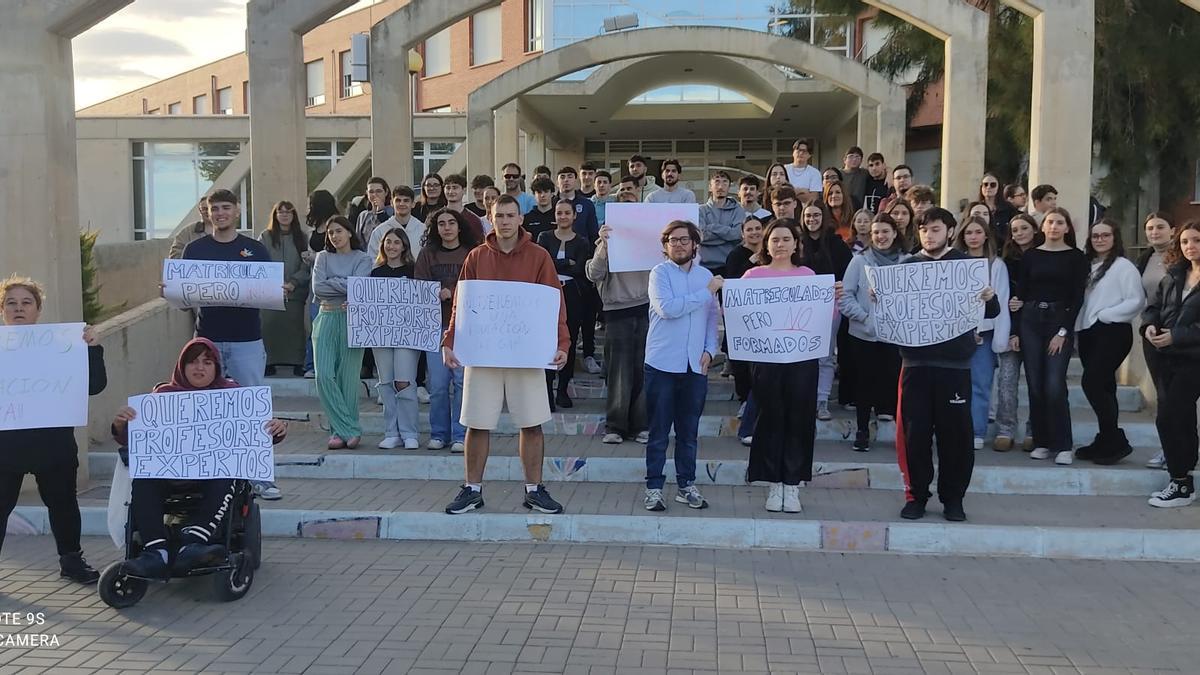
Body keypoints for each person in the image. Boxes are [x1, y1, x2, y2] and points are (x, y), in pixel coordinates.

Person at [111, 338, 287, 578]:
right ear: (181, 367)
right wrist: (122, 424)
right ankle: (156, 551)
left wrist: (275, 429)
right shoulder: (163, 395)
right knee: (143, 478)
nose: (199, 368)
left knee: (229, 473)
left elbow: (255, 437)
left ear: (216, 367)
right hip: (170, 475)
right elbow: (136, 440)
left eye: (207, 362)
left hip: (213, 476)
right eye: (192, 362)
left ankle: (193, 541)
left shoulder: (232, 394)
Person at [441, 196, 569, 515]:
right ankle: (472, 489)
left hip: (527, 353)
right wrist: (450, 339)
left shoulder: (539, 256)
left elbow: (555, 303)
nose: (506, 221)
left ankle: (534, 490)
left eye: (511, 215)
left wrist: (563, 343)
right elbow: (461, 304)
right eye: (500, 216)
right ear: (491, 218)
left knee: (532, 422)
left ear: (521, 218)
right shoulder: (476, 256)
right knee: (477, 423)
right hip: (483, 352)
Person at [891, 208, 1000, 522]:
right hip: (915, 363)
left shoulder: (967, 267)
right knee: (915, 434)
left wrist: (988, 297)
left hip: (955, 365)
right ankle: (917, 496)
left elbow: (989, 312)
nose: (929, 235)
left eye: (936, 229)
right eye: (924, 230)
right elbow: (892, 311)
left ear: (951, 231)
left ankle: (953, 498)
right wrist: (880, 297)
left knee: (956, 437)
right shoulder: (908, 266)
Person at [0, 277, 106, 583]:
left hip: (53, 445)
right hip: (7, 447)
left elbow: (96, 385)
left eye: (26, 303)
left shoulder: (64, 346)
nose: (19, 309)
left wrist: (93, 350)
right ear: (3, 310)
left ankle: (72, 561)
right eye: (11, 303)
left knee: (63, 505)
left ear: (38, 309)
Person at [179, 189, 280, 500]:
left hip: (246, 339)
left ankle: (260, 478)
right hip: (206, 339)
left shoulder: (254, 249)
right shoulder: (194, 250)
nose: (219, 213)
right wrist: (172, 290)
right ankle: (206, 477)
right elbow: (184, 302)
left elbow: (268, 292)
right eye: (214, 208)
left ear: (237, 211)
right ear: (206, 213)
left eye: (225, 207)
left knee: (251, 409)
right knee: (204, 411)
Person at [743, 220, 821, 513]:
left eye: (786, 239)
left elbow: (821, 316)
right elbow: (739, 315)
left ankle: (793, 483)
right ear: (766, 244)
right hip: (766, 360)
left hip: (802, 359)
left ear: (796, 244)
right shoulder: (752, 276)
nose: (780, 244)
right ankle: (773, 483)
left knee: (800, 419)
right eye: (774, 239)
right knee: (771, 418)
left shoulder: (808, 275)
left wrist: (834, 300)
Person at [643, 221, 720, 512]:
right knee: (659, 432)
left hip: (694, 366)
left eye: (684, 240)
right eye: (672, 240)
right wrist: (706, 291)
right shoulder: (659, 273)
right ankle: (654, 487)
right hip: (662, 363)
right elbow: (668, 309)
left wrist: (710, 350)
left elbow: (712, 318)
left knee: (688, 432)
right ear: (665, 246)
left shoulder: (705, 275)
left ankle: (686, 484)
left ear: (694, 244)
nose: (678, 245)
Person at [1017, 207, 1089, 465]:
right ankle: (1042, 442)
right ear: (1043, 227)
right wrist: (1016, 329)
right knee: (1035, 385)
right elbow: (1021, 294)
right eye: (1050, 222)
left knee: (1054, 385)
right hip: (1031, 320)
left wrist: (1063, 332)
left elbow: (1077, 298)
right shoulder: (1031, 256)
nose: (1055, 226)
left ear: (1067, 228)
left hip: (1059, 320)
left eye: (1060, 222)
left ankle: (1063, 445)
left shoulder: (1077, 257)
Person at [1073, 219, 1144, 464]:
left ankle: (1115, 440)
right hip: (1088, 332)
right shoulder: (1088, 266)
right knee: (1105, 387)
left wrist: (1106, 316)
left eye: (1105, 235)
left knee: (1091, 382)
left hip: (1112, 331)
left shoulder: (1124, 267)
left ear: (1115, 238)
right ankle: (1106, 440)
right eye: (1095, 236)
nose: (1100, 239)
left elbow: (1136, 300)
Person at [1142, 220, 1200, 507]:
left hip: (1194, 359)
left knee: (1169, 416)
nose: (1191, 246)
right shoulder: (1174, 275)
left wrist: (1176, 336)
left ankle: (1179, 482)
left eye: (1197, 240)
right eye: (1186, 241)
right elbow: (1153, 307)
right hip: (1165, 357)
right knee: (1182, 417)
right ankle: (1185, 479)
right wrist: (1149, 327)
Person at [587, 192, 651, 445]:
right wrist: (603, 245)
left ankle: (642, 425)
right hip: (616, 311)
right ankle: (615, 425)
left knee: (644, 370)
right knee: (619, 372)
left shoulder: (652, 240)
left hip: (647, 308)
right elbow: (593, 274)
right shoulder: (605, 241)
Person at [415, 208, 479, 453]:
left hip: (465, 327)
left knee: (463, 382)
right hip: (435, 328)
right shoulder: (427, 254)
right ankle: (439, 433)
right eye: (441, 223)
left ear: (459, 226)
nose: (447, 227)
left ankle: (461, 434)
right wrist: (437, 291)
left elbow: (478, 283)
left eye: (451, 222)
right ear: (435, 228)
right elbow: (419, 285)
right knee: (439, 385)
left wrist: (453, 292)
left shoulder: (471, 254)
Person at [840, 213, 904, 451]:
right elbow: (845, 297)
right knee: (864, 385)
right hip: (864, 335)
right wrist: (866, 318)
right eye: (876, 232)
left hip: (896, 336)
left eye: (885, 231)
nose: (881, 236)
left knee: (896, 384)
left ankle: (902, 435)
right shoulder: (859, 261)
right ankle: (862, 430)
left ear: (895, 233)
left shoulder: (907, 261)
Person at [311, 215, 373, 450]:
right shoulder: (322, 257)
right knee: (324, 375)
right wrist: (346, 285)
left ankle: (340, 432)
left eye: (338, 231)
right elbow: (318, 288)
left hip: (352, 318)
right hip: (326, 316)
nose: (334, 236)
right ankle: (349, 428)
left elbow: (359, 287)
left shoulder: (363, 259)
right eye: (330, 232)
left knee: (348, 378)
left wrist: (335, 283)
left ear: (349, 232)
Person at [951, 216, 1012, 450]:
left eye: (978, 232)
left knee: (980, 384)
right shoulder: (952, 262)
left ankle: (977, 431)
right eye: (969, 233)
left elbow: (1002, 299)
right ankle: (954, 429)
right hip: (956, 333)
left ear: (986, 235)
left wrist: (997, 336)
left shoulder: (996, 265)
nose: (973, 237)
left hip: (984, 334)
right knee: (955, 384)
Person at [370, 228, 422, 450]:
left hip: (407, 335)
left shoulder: (414, 271)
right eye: (388, 242)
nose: (392, 246)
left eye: (396, 243)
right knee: (385, 383)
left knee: (405, 381)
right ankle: (391, 431)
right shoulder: (375, 273)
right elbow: (369, 303)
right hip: (381, 336)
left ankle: (410, 432)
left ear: (404, 247)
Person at [800, 204, 852, 420]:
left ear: (825, 217)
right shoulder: (797, 242)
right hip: (799, 308)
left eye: (817, 215)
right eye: (808, 215)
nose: (812, 219)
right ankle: (804, 398)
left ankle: (822, 400)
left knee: (825, 355)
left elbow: (846, 274)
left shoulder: (836, 244)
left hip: (830, 307)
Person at [993, 214, 1041, 452]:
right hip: (1009, 327)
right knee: (1006, 381)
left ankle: (1035, 430)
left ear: (1034, 230)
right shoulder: (1006, 261)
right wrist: (1013, 332)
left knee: (1036, 382)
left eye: (1024, 228)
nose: (1019, 233)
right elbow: (1006, 300)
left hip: (1037, 329)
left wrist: (1026, 303)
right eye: (1015, 229)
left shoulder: (1045, 256)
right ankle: (1005, 429)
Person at [538, 200, 591, 410]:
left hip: (572, 295)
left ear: (574, 216)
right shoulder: (544, 237)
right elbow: (543, 263)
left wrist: (560, 264)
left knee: (567, 340)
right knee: (547, 343)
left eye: (567, 213)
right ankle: (547, 392)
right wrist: (566, 263)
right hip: (547, 293)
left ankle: (563, 390)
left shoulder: (583, 241)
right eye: (559, 213)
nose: (563, 216)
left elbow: (579, 268)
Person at [1137, 212, 1177, 469]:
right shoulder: (1144, 259)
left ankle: (1181, 449)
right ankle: (1169, 449)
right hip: (1152, 333)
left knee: (1177, 397)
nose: (1154, 232)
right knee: (1163, 395)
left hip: (1181, 334)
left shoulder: (1184, 258)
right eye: (1150, 228)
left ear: (1173, 230)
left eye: (1160, 227)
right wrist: (1148, 325)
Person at [724, 215, 766, 442]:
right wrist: (752, 260)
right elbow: (733, 282)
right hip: (742, 318)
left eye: (758, 229)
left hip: (766, 319)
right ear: (742, 233)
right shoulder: (735, 255)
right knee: (742, 364)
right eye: (749, 229)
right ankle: (744, 401)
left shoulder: (770, 255)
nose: (754, 233)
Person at [259, 200, 310, 376]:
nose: (284, 215)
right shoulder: (265, 236)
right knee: (268, 326)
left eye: (288, 212)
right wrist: (273, 283)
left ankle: (297, 362)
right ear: (275, 215)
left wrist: (293, 283)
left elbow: (307, 264)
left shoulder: (302, 237)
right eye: (281, 212)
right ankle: (269, 362)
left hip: (295, 291)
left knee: (295, 327)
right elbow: (259, 262)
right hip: (270, 291)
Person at [303, 190, 340, 379]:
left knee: (329, 324)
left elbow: (336, 253)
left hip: (331, 281)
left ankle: (330, 364)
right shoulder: (315, 226)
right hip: (314, 280)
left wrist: (314, 257)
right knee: (315, 323)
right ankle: (312, 363)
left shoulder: (335, 223)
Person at [697, 170, 746, 278]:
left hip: (730, 265)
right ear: (710, 186)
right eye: (717, 182)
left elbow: (737, 235)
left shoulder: (738, 210)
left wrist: (711, 227)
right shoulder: (701, 210)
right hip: (704, 266)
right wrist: (727, 234)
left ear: (729, 186)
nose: (720, 186)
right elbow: (701, 236)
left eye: (724, 182)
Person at [367, 186, 424, 256]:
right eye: (398, 200)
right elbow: (373, 259)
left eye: (406, 201)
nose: (402, 204)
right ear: (391, 203)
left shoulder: (423, 229)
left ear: (413, 204)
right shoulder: (380, 231)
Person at [553, 166, 600, 244]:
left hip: (581, 251)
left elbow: (593, 233)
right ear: (557, 182)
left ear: (575, 180)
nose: (566, 180)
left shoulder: (587, 204)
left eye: (570, 177)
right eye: (562, 177)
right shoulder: (551, 203)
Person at [442, 174, 486, 242]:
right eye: (448, 188)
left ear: (464, 190)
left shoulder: (474, 220)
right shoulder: (436, 217)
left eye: (455, 188)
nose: (451, 191)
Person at [354, 176, 393, 247]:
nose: (375, 195)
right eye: (371, 192)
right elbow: (358, 240)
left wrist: (381, 211)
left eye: (379, 191)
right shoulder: (363, 215)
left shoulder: (392, 212)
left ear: (386, 192)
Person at [978, 173, 1017, 241]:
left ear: (998, 187)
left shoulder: (1008, 208)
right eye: (985, 184)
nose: (988, 187)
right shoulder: (976, 208)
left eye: (993, 185)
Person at [522, 176, 558, 241]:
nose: (542, 195)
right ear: (533, 194)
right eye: (539, 192)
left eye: (546, 191)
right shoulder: (527, 219)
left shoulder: (558, 217)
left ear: (552, 194)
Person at [823, 180, 855, 244]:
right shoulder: (823, 220)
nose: (834, 196)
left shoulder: (854, 218)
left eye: (838, 192)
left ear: (844, 195)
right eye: (830, 193)